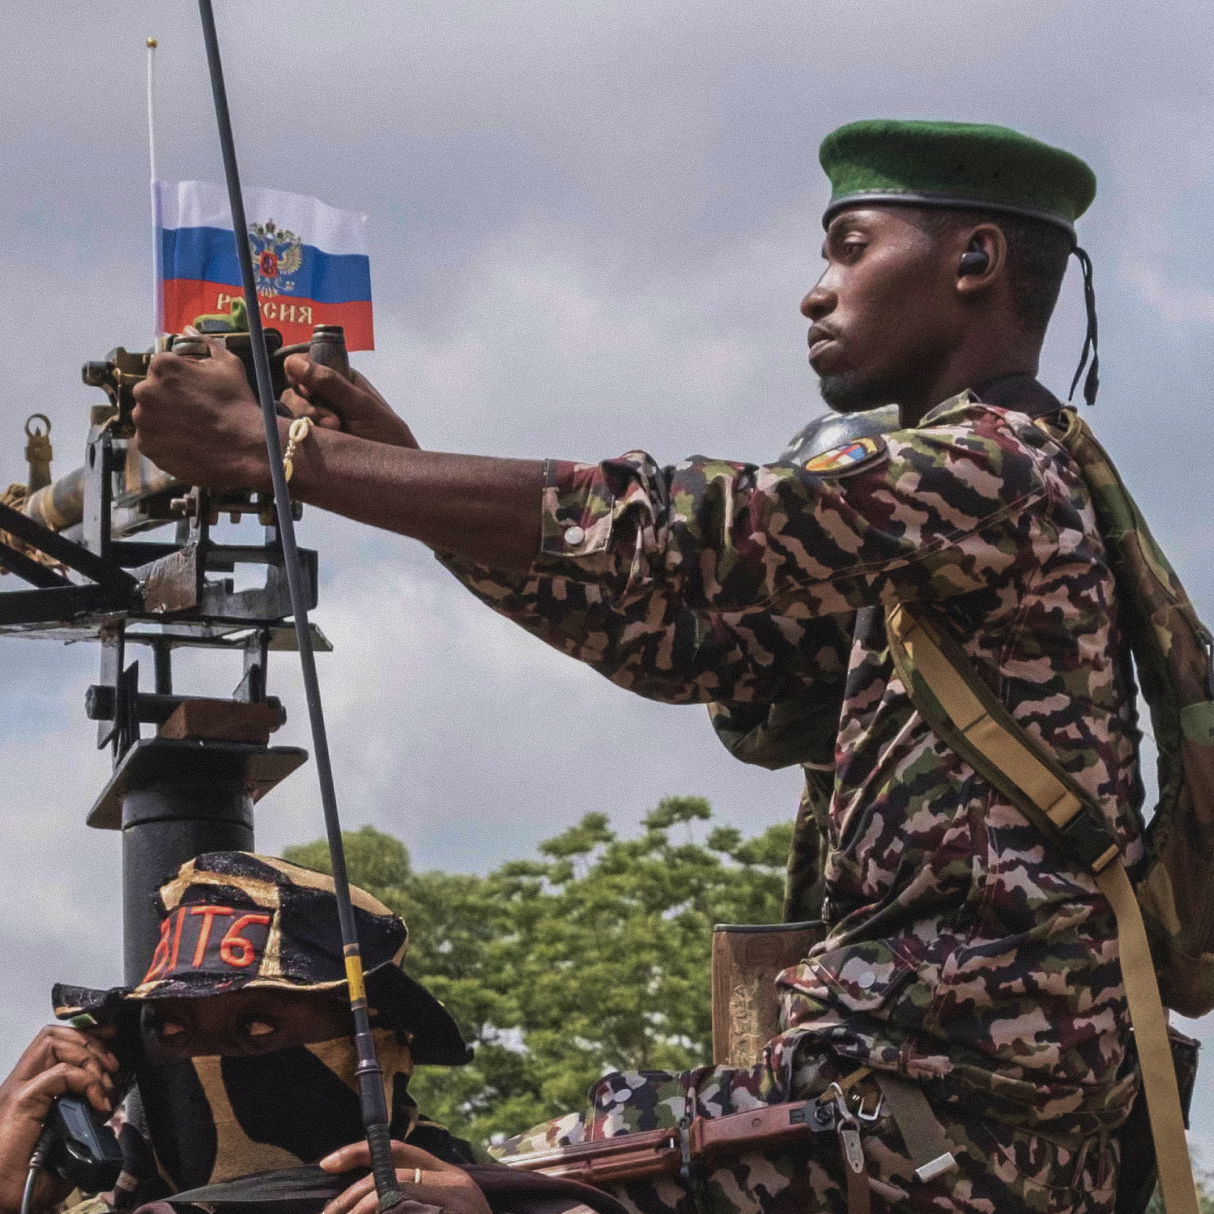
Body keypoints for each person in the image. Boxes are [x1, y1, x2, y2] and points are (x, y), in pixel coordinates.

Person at [131, 120, 1145, 1212]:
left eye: (849, 250)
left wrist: (291, 455)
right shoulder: (951, 531)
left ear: (975, 260)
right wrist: (399, 474)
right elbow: (679, 642)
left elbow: (676, 529)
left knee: (448, 1192)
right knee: (444, 1179)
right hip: (911, 1093)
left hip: (943, 1110)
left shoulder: (991, 466)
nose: (815, 293)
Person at [0, 852, 488, 1214]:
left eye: (257, 1026)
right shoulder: (104, 1202)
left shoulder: (479, 1194)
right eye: (170, 1027)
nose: (205, 1059)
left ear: (379, 1044)